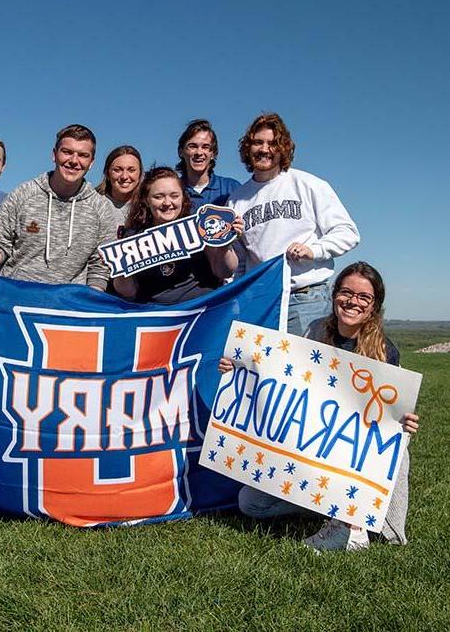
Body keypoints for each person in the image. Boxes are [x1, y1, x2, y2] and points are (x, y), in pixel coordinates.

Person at [222, 262, 419, 552]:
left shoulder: (386, 351)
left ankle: (351, 525)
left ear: (374, 306)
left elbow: (387, 422)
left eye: (364, 297)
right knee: (251, 504)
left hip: (350, 462)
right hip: (307, 457)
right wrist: (238, 367)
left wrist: (404, 423)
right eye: (346, 292)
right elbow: (278, 373)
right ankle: (325, 508)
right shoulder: (314, 332)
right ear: (334, 294)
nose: (353, 301)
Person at [227, 113, 360, 335]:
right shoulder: (237, 199)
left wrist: (314, 250)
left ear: (283, 148)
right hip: (260, 300)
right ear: (248, 148)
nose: (264, 149)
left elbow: (348, 232)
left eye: (272, 143)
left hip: (306, 298)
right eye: (258, 142)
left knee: (304, 369)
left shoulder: (308, 184)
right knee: (261, 369)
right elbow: (240, 262)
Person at [0, 124, 117, 290]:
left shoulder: (101, 208)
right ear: (54, 155)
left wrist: (88, 302)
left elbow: (99, 268)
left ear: (91, 162)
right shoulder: (23, 193)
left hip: (68, 305)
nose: (74, 161)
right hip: (15, 295)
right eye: (67, 152)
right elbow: (0, 242)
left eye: (83, 155)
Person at [113, 167, 243, 304]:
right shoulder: (133, 237)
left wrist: (224, 244)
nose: (167, 203)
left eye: (174, 196)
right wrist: (120, 267)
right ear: (146, 200)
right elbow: (128, 291)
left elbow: (224, 272)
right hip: (155, 315)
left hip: (201, 311)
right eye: (158, 197)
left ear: (183, 197)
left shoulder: (199, 226)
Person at [177, 119, 240, 211]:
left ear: (213, 154)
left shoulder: (231, 188)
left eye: (205, 147)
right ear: (181, 152)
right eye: (193, 146)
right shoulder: (173, 192)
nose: (199, 152)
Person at [96, 145, 143, 238]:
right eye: (117, 170)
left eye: (131, 170)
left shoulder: (148, 206)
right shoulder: (95, 203)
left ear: (140, 173)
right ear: (107, 174)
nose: (124, 176)